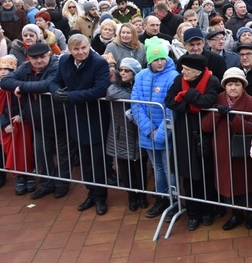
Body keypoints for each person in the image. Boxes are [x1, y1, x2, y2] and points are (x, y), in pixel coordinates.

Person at [51, 34, 111, 215]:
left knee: (97, 161)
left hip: (95, 117)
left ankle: (101, 197)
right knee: (84, 161)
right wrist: (56, 93)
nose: (80, 52)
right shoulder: (64, 62)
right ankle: (91, 193)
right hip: (76, 117)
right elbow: (54, 81)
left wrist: (70, 97)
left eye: (83, 48)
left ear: (88, 47)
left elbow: (100, 89)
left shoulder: (99, 63)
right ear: (70, 50)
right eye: (76, 49)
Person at [0, 43, 66, 199]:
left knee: (63, 155)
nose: (39, 61)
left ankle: (62, 184)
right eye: (35, 58)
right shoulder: (25, 67)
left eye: (43, 57)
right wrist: (24, 86)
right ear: (29, 58)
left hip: (59, 119)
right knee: (42, 154)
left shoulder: (57, 65)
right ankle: (47, 184)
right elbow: (5, 81)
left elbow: (48, 84)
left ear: (49, 54)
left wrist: (21, 87)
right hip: (37, 121)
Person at [165, 54, 221, 231]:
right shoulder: (178, 80)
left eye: (186, 70)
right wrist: (191, 105)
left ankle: (208, 211)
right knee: (188, 176)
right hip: (183, 133)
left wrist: (188, 95)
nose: (183, 72)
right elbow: (169, 101)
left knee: (206, 174)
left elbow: (207, 101)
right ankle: (193, 213)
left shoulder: (212, 81)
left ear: (197, 72)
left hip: (203, 134)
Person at [201, 67, 252, 231]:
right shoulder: (217, 99)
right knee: (228, 183)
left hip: (243, 153)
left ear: (243, 86)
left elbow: (251, 128)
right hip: (222, 151)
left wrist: (233, 117)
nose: (233, 88)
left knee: (247, 183)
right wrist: (218, 113)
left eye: (237, 84)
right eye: (229, 84)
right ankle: (236, 214)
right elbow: (205, 126)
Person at [131, 38, 179, 219]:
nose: (159, 63)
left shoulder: (173, 76)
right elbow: (136, 104)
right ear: (149, 60)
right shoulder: (141, 76)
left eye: (162, 59)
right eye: (155, 59)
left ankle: (174, 201)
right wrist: (149, 130)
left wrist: (159, 133)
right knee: (157, 168)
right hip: (147, 134)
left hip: (165, 133)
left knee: (169, 169)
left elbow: (170, 108)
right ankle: (161, 199)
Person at [104, 57, 149, 212]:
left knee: (140, 167)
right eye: (121, 70)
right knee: (125, 168)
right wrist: (136, 99)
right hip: (120, 132)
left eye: (127, 70)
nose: (122, 73)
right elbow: (111, 93)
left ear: (134, 73)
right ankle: (131, 197)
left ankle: (142, 195)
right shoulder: (115, 86)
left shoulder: (140, 85)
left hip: (138, 132)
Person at [0, 55, 35, 196]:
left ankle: (29, 174)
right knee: (12, 152)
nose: (3, 72)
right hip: (8, 126)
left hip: (23, 123)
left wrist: (22, 115)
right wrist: (4, 124)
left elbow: (28, 104)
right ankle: (19, 176)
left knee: (27, 149)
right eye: (0, 69)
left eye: (7, 69)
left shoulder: (19, 86)